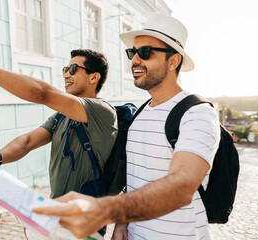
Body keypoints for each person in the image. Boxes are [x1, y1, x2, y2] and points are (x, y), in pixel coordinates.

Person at [33, 13, 221, 240]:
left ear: (173, 61)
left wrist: (104, 210)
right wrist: (122, 225)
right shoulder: (140, 115)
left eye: (145, 53)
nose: (134, 61)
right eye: (133, 52)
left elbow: (181, 187)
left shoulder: (197, 113)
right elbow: (134, 180)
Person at [0, 49, 117, 202]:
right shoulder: (62, 116)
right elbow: (27, 141)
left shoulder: (102, 112)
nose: (67, 74)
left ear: (93, 78)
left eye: (74, 69)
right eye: (65, 69)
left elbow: (41, 92)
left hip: (86, 223)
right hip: (58, 216)